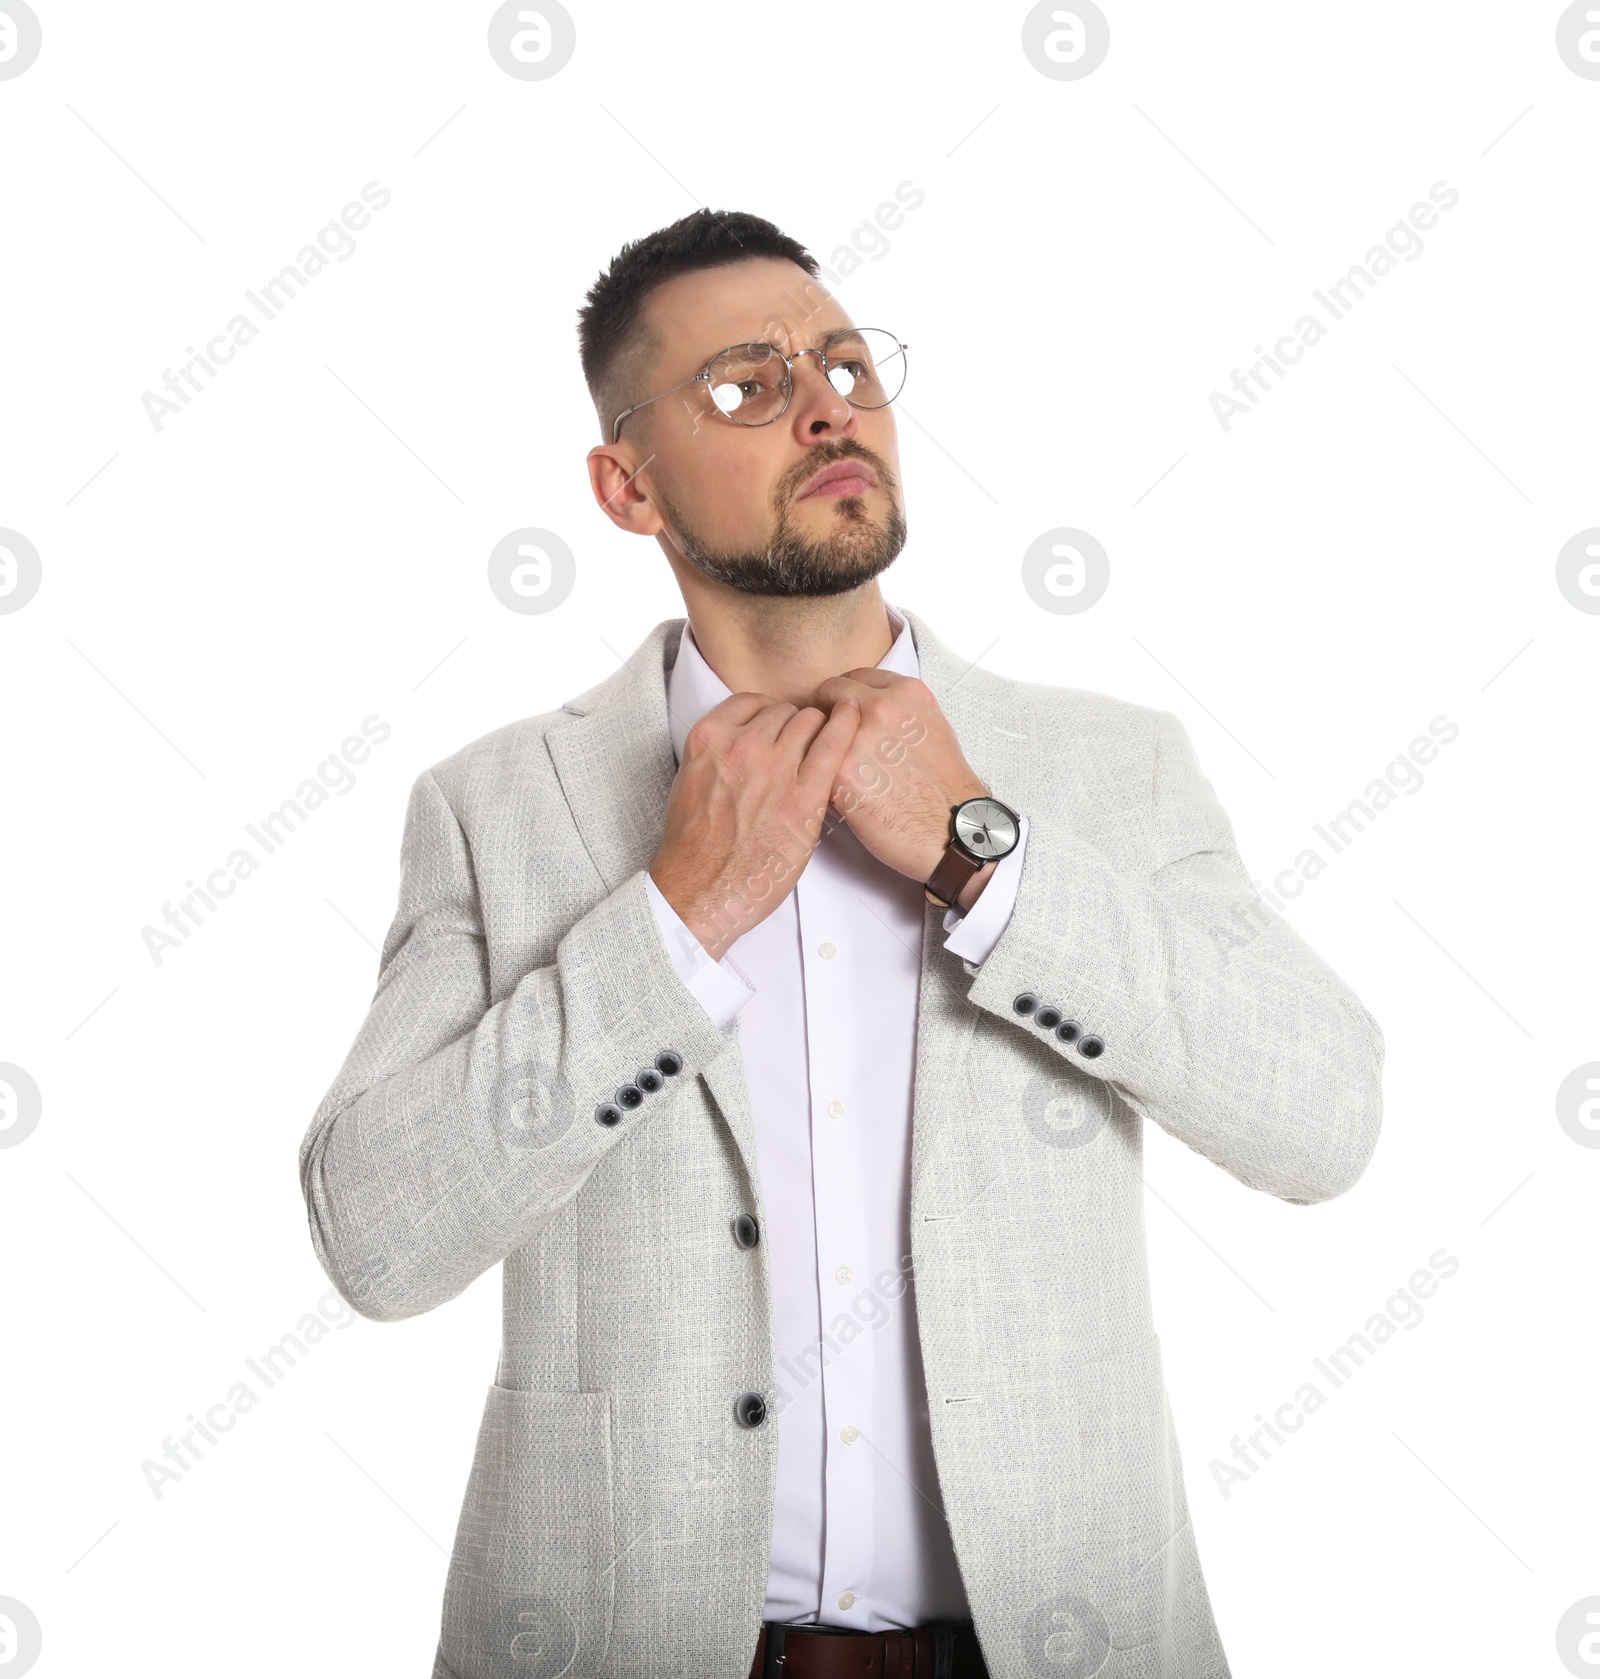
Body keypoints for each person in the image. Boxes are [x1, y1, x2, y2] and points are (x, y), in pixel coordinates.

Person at [299, 209, 1385, 1679]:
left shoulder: (1109, 773)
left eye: (847, 367)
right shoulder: (502, 806)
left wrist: (982, 857)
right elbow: (374, 1235)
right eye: (745, 385)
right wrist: (673, 921)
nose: (825, 407)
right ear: (629, 486)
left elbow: (1325, 1118)